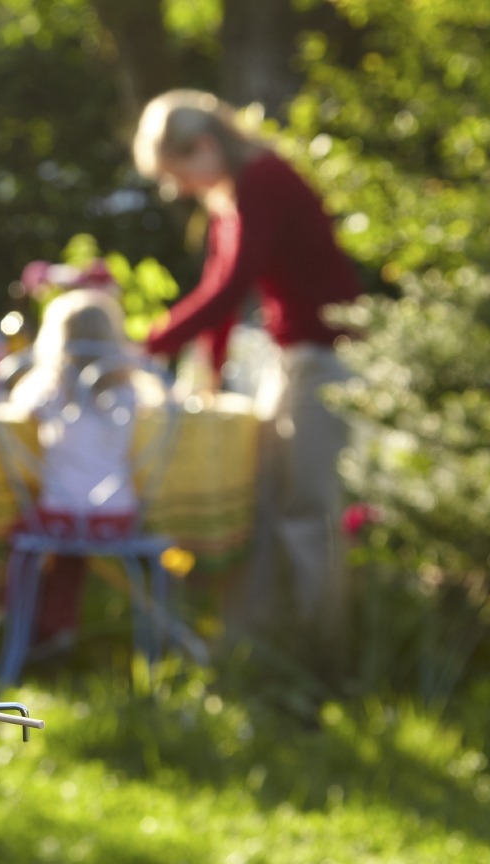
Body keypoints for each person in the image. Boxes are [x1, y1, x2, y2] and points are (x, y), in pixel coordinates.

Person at [132, 88, 361, 647]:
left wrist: (149, 344)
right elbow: (222, 295)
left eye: (178, 172)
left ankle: (320, 647)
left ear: (205, 145)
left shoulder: (263, 180)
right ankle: (254, 640)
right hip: (287, 356)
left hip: (324, 356)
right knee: (255, 495)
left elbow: (231, 284)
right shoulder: (229, 197)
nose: (178, 188)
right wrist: (207, 371)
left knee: (306, 505)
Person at [5, 287, 164, 647]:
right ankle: (58, 623)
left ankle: (23, 622)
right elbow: (161, 411)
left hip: (59, 514)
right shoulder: (132, 390)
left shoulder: (48, 389)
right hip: (118, 517)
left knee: (20, 533)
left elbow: (13, 411)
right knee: (70, 544)